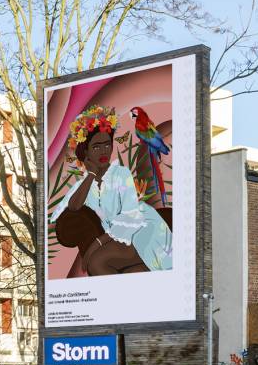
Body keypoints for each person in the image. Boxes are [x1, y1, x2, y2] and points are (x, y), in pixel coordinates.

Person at [51, 105, 172, 272]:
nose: (103, 151)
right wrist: (91, 175)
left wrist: (97, 244)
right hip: (116, 238)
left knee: (97, 261)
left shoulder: (121, 174)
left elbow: (130, 217)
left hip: (142, 230)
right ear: (85, 151)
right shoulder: (85, 184)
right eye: (96, 146)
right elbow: (73, 206)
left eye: (107, 145)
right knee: (108, 266)